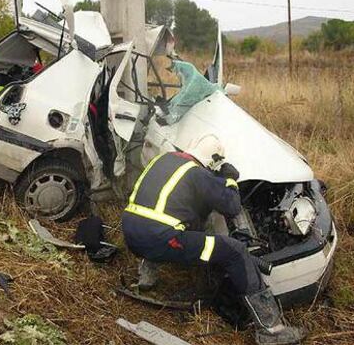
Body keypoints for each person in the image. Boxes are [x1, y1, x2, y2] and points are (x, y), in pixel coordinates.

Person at [122, 135, 305, 345]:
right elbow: (232, 206)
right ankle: (271, 331)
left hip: (131, 233)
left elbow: (175, 206)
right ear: (211, 162)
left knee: (170, 220)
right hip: (161, 241)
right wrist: (229, 180)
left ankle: (147, 276)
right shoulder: (197, 172)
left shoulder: (163, 159)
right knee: (235, 252)